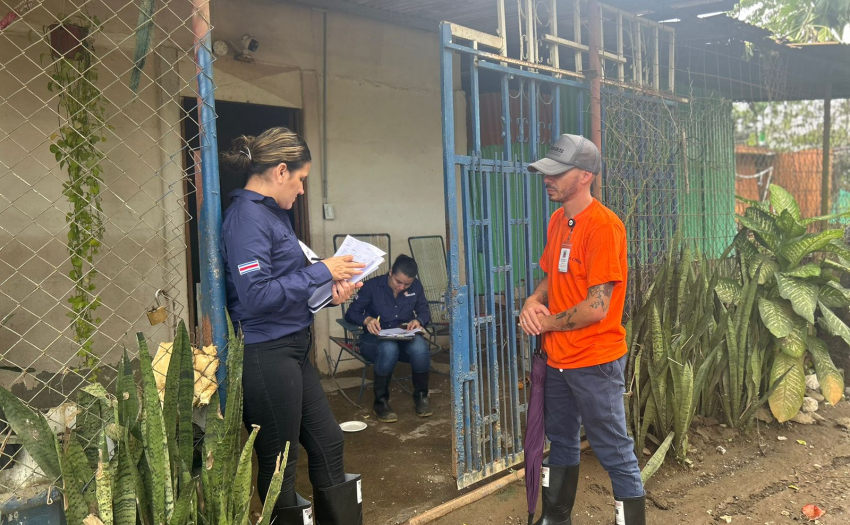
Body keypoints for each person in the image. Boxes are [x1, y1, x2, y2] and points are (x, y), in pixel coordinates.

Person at [220, 127, 366, 525]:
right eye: (301, 179)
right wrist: (322, 270)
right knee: (279, 464)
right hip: (266, 353)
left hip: (294, 347)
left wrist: (328, 291)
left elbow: (287, 283)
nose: (302, 190)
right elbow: (257, 295)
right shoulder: (246, 218)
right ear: (281, 171)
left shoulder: (272, 214)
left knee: (328, 441)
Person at [518, 134, 645, 525]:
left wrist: (545, 322)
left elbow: (597, 307)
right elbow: (552, 276)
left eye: (557, 173)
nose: (548, 179)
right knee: (561, 440)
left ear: (586, 175)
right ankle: (556, 519)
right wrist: (532, 301)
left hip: (594, 361)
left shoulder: (604, 227)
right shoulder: (558, 220)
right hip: (557, 359)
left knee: (614, 450)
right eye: (546, 172)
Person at [344, 254, 433, 422]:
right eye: (398, 282)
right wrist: (367, 320)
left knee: (420, 348)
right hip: (375, 339)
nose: (401, 287)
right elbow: (351, 313)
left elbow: (424, 310)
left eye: (407, 284)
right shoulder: (372, 286)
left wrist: (419, 320)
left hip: (404, 336)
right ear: (390, 272)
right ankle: (381, 402)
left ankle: (421, 396)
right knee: (389, 349)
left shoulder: (416, 286)